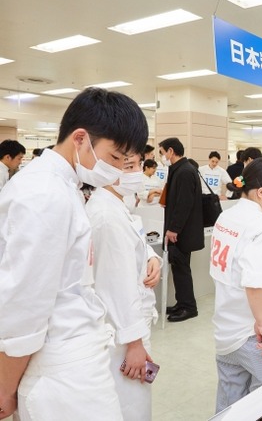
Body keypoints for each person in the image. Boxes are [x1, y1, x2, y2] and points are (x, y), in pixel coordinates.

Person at [0, 87, 148, 420]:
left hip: (70, 353)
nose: (117, 171)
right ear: (80, 139)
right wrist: (5, 389)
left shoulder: (62, 185)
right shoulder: (44, 193)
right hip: (61, 365)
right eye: (114, 158)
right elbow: (24, 304)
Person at [209, 158, 262, 411]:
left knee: (229, 406)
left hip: (227, 329)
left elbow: (237, 265)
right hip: (261, 335)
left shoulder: (226, 217)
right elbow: (255, 281)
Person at [86, 151, 160, 420]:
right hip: (121, 335)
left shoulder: (118, 204)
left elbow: (133, 243)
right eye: (129, 166)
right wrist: (134, 343)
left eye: (138, 164)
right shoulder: (107, 215)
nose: (137, 172)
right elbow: (114, 287)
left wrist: (152, 258)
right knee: (131, 406)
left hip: (131, 325)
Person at [159, 138, 204, 322]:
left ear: (171, 151)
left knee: (182, 268)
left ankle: (189, 307)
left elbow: (184, 204)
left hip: (181, 232)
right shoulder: (180, 169)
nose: (162, 156)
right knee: (179, 268)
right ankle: (182, 302)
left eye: (162, 152)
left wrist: (173, 229)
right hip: (180, 230)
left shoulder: (184, 171)